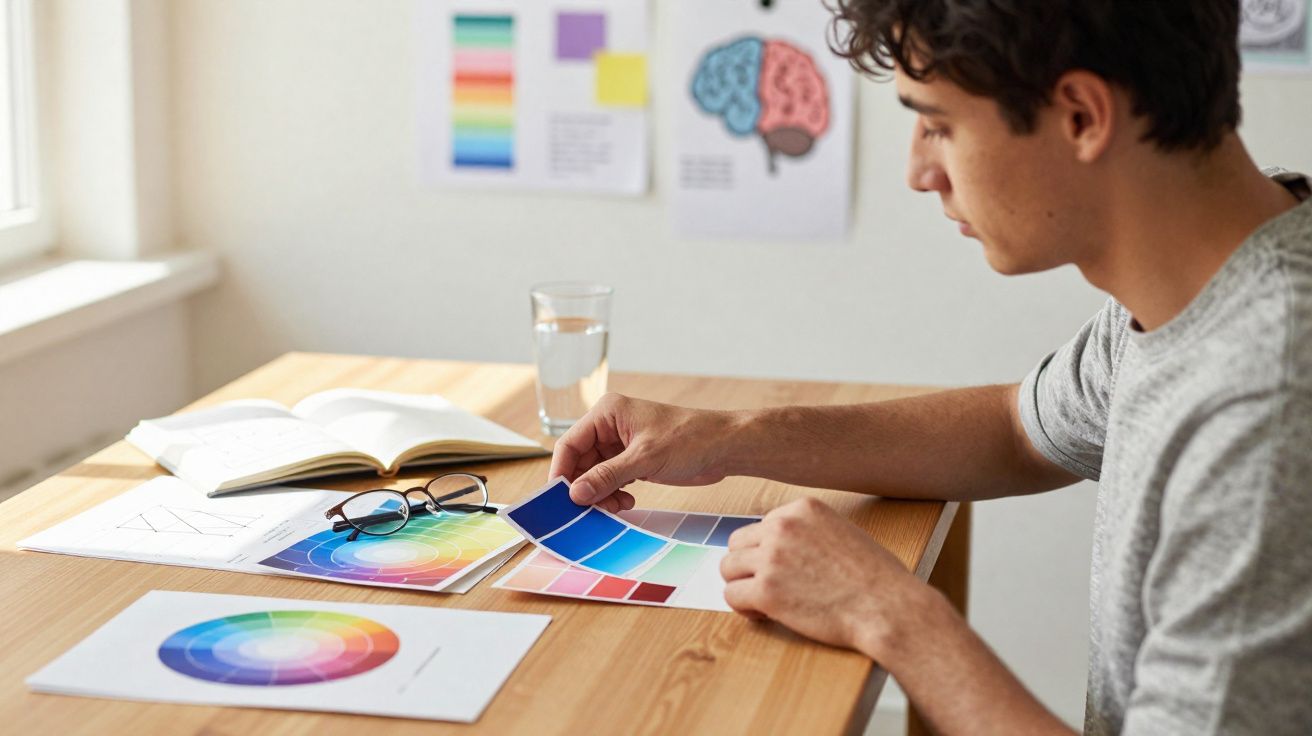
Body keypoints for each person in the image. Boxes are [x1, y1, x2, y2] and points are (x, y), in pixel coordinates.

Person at [548, 1, 1312, 734]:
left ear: (1081, 116)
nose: (919, 171)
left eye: (938, 125)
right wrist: (726, 435)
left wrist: (887, 611)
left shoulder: (1269, 405)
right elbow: (1018, 430)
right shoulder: (1207, 275)